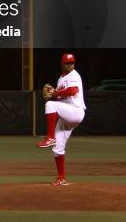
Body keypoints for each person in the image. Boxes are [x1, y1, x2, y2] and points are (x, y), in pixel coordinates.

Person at [36, 53, 86, 186]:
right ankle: (61, 178)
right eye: (68, 63)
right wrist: (53, 95)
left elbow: (73, 91)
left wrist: (55, 94)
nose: (71, 65)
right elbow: (59, 98)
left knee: (50, 105)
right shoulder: (60, 79)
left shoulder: (74, 75)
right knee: (58, 149)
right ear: (62, 64)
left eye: (72, 62)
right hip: (66, 115)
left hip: (76, 111)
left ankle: (50, 137)